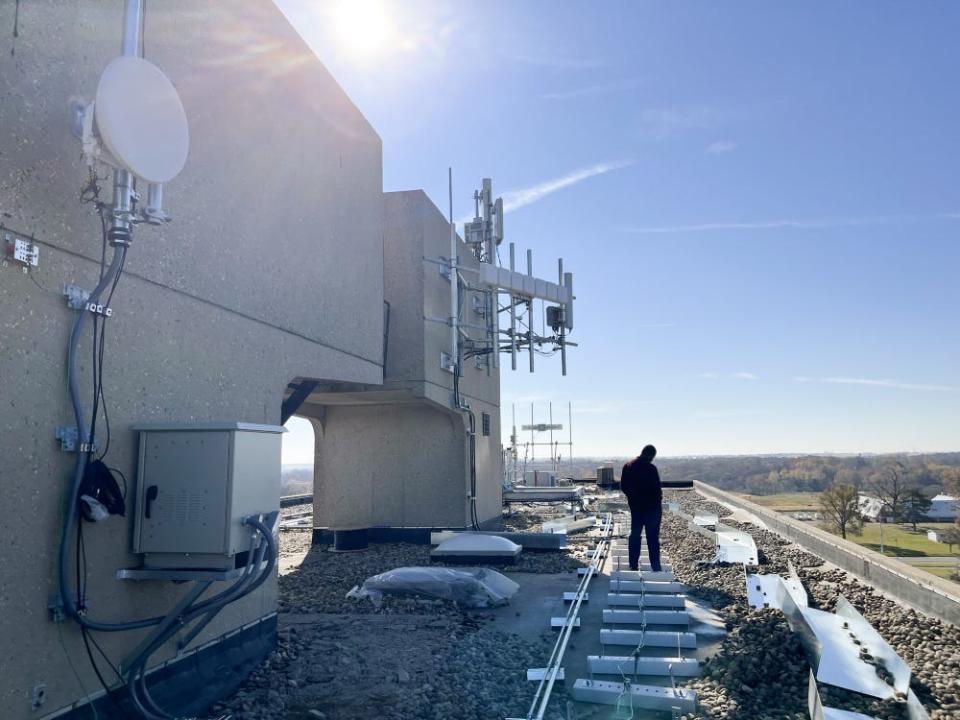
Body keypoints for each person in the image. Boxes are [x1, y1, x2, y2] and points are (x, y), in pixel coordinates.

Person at [620, 445, 662, 572]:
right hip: (652, 510)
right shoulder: (651, 468)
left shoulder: (629, 466)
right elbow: (656, 490)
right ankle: (655, 567)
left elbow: (624, 486)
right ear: (650, 455)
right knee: (653, 538)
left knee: (635, 535)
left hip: (636, 508)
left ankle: (633, 564)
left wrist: (633, 500)